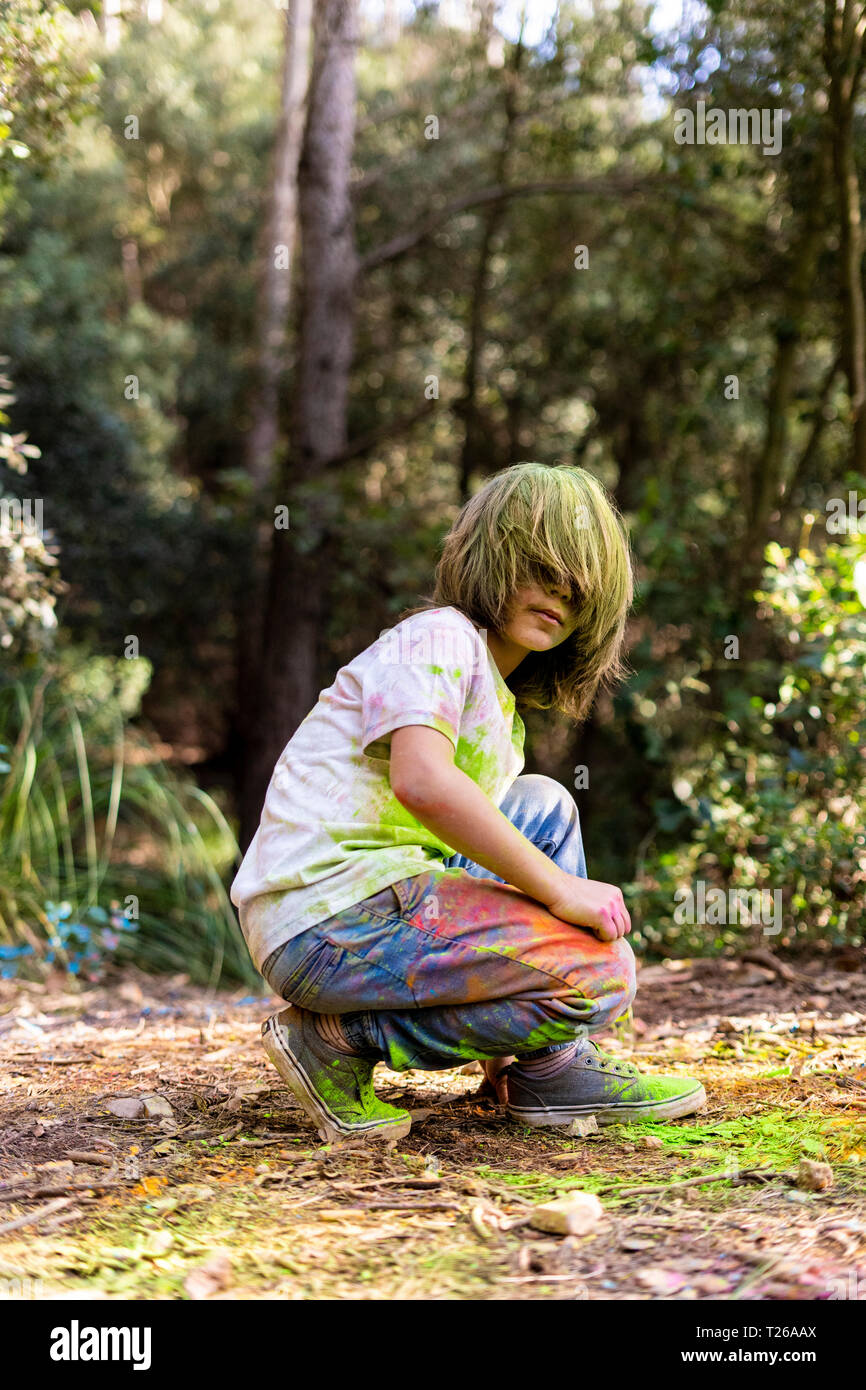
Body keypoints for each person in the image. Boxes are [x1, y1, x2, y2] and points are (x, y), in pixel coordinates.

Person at [230, 462, 705, 1142]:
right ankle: (336, 1040)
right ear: (493, 555)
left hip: (374, 904)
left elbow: (459, 821)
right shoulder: (440, 635)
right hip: (334, 914)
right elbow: (420, 781)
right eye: (541, 566)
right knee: (599, 975)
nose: (561, 591)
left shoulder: (496, 699)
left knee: (541, 805)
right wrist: (561, 890)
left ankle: (541, 1071)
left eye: (580, 581)